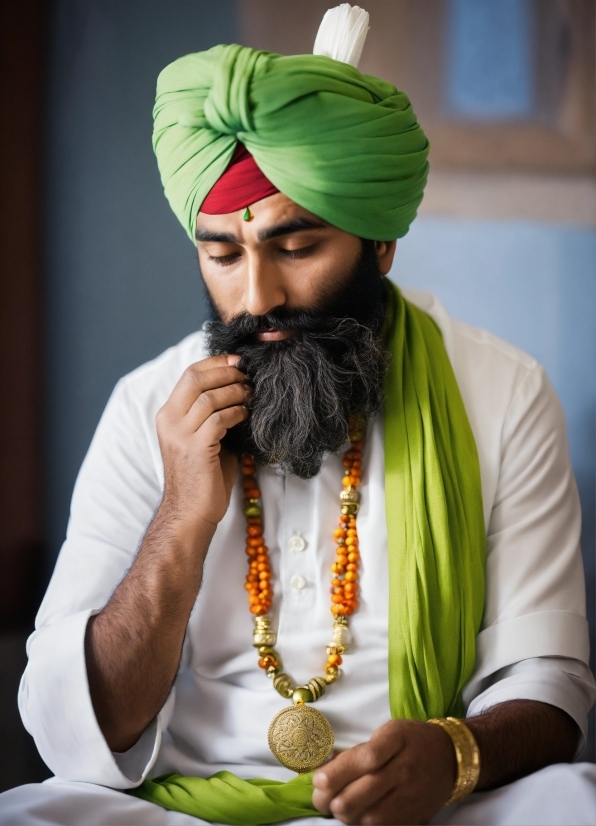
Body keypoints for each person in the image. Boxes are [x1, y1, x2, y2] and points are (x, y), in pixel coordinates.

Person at [1, 5, 595, 825]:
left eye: (296, 247)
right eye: (222, 255)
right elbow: (71, 735)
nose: (257, 299)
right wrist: (180, 515)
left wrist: (455, 755)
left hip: (434, 806)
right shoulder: (151, 405)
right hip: (192, 807)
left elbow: (550, 678)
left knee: (575, 802)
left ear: (379, 243)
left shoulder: (501, 389)